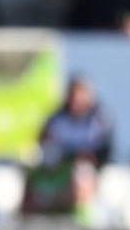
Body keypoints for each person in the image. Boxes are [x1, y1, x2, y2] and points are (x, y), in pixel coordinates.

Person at [23, 74, 113, 215]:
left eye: (82, 96)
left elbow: (104, 150)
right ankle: (30, 218)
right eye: (74, 96)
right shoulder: (56, 119)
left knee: (83, 174)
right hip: (58, 167)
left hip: (86, 170)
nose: (78, 101)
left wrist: (85, 158)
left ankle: (82, 215)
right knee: (31, 176)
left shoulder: (99, 119)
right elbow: (42, 142)